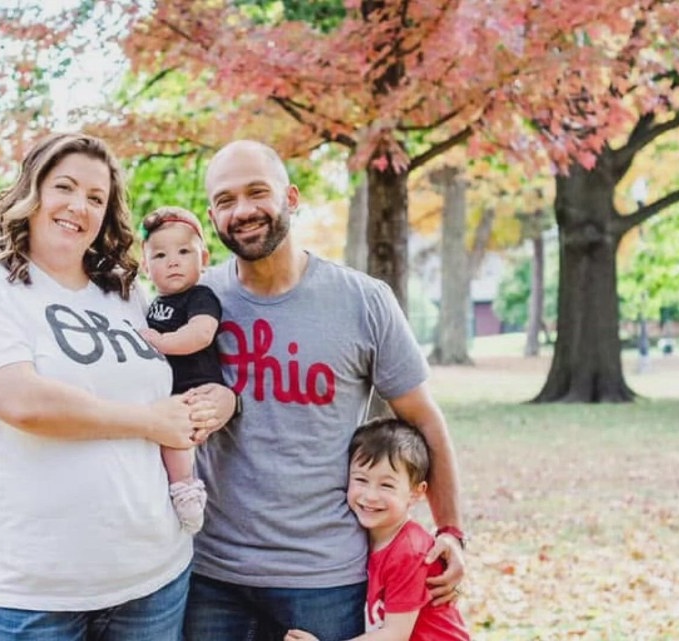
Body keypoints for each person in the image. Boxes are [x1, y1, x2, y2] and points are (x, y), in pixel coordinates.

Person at [183, 140, 468, 640]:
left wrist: (450, 531)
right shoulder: (195, 304)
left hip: (324, 578)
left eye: (257, 192)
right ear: (212, 216)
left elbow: (424, 418)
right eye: (226, 200)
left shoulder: (363, 301)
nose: (243, 210)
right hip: (213, 574)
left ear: (291, 199)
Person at [0, 132, 223, 641]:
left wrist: (218, 399)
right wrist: (148, 421)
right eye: (65, 187)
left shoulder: (126, 293)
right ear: (33, 192)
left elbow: (179, 376)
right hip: (44, 593)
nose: (79, 206)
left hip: (155, 576)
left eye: (96, 198)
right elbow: (21, 401)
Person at [285, 418, 470, 641]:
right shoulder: (360, 537)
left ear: (416, 492)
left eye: (386, 485)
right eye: (361, 479)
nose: (370, 495)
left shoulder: (410, 551)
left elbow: (395, 634)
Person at [138, 206, 225, 534]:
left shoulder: (200, 296)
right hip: (165, 391)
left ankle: (186, 489)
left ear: (203, 259)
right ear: (146, 266)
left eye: (184, 251)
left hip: (195, 388)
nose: (172, 261)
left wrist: (161, 342)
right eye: (159, 255)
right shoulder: (151, 304)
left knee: (176, 438)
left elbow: (201, 334)